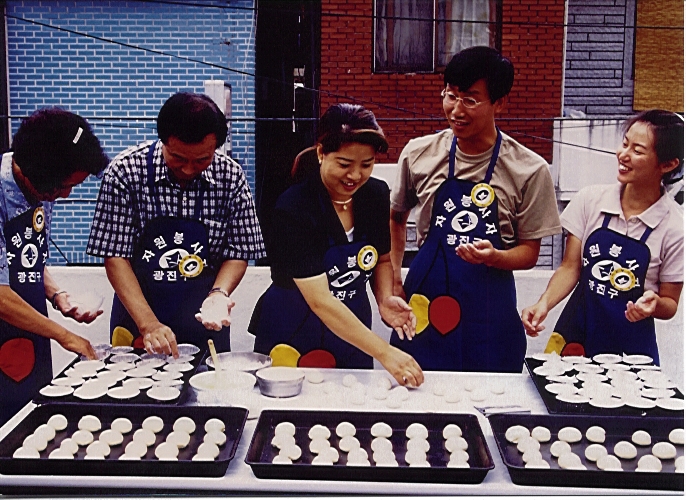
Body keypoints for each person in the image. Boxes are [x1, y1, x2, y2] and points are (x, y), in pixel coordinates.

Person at [389, 46, 561, 372]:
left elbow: (529, 253)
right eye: (450, 95)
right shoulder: (419, 153)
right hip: (426, 304)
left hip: (489, 313)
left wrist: (493, 256)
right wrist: (395, 276)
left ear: (499, 102)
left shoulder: (529, 169)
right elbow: (396, 217)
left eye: (470, 99)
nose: (456, 109)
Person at [250, 104, 424, 387]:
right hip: (295, 326)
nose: (355, 175)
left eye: (366, 164)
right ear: (321, 153)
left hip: (352, 330)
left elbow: (380, 258)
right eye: (344, 164)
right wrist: (385, 352)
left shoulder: (375, 194)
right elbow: (320, 300)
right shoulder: (293, 207)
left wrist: (384, 298)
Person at [87, 92, 265, 356]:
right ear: (163, 141)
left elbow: (238, 252)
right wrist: (148, 324)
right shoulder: (125, 172)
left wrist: (219, 294)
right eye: (179, 158)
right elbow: (115, 256)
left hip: (204, 317)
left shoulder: (230, 177)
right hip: (137, 318)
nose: (189, 169)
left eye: (202, 160)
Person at [522, 110, 683, 363]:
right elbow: (570, 268)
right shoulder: (590, 200)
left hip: (632, 350)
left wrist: (654, 304)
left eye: (638, 151)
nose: (623, 155)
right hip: (577, 333)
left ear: (668, 164)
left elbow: (670, 303)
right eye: (624, 143)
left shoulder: (675, 227)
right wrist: (544, 304)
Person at [0, 107, 108, 426]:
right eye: (61, 187)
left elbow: (23, 255)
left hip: (29, 331)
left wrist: (58, 295)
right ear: (32, 172)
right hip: (7, 320)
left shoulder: (41, 182)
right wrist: (66, 336)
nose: (64, 195)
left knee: (32, 422)